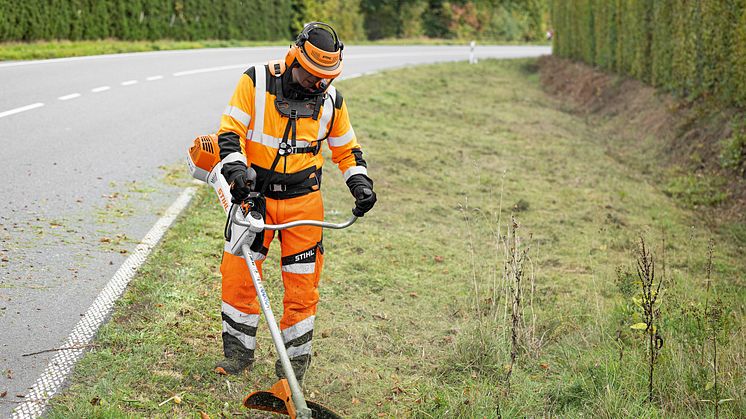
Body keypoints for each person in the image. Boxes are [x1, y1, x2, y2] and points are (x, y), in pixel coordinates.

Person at [214, 22, 377, 382]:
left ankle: (294, 367)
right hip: (253, 200)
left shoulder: (332, 100)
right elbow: (229, 134)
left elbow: (348, 151)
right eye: (314, 76)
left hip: (304, 204)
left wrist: (360, 183)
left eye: (327, 78)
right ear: (294, 58)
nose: (319, 85)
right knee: (240, 277)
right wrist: (237, 173)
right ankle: (239, 354)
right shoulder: (255, 81)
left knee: (303, 287)